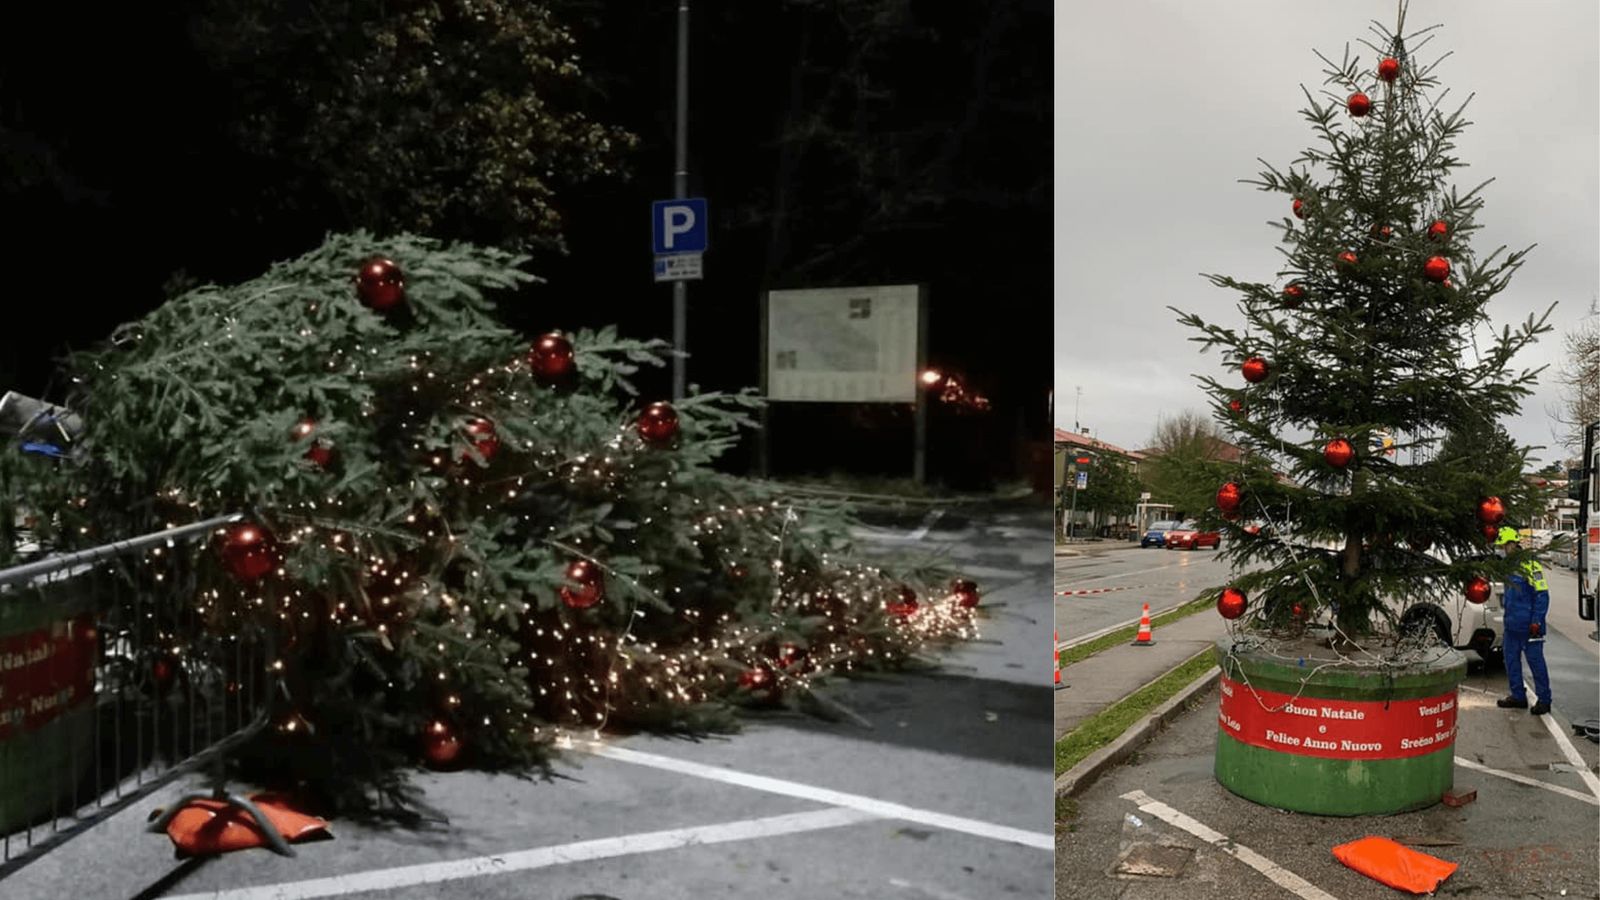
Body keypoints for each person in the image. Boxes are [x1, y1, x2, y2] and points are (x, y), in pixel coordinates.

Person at [1494, 526, 1552, 715]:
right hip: (1512, 625)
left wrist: (1536, 620)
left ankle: (1544, 700)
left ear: (1512, 544)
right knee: (1510, 660)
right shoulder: (1508, 566)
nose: (1502, 550)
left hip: (1530, 626)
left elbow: (1542, 595)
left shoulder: (1530, 564)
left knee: (1536, 662)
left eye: (1504, 546)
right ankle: (1518, 696)